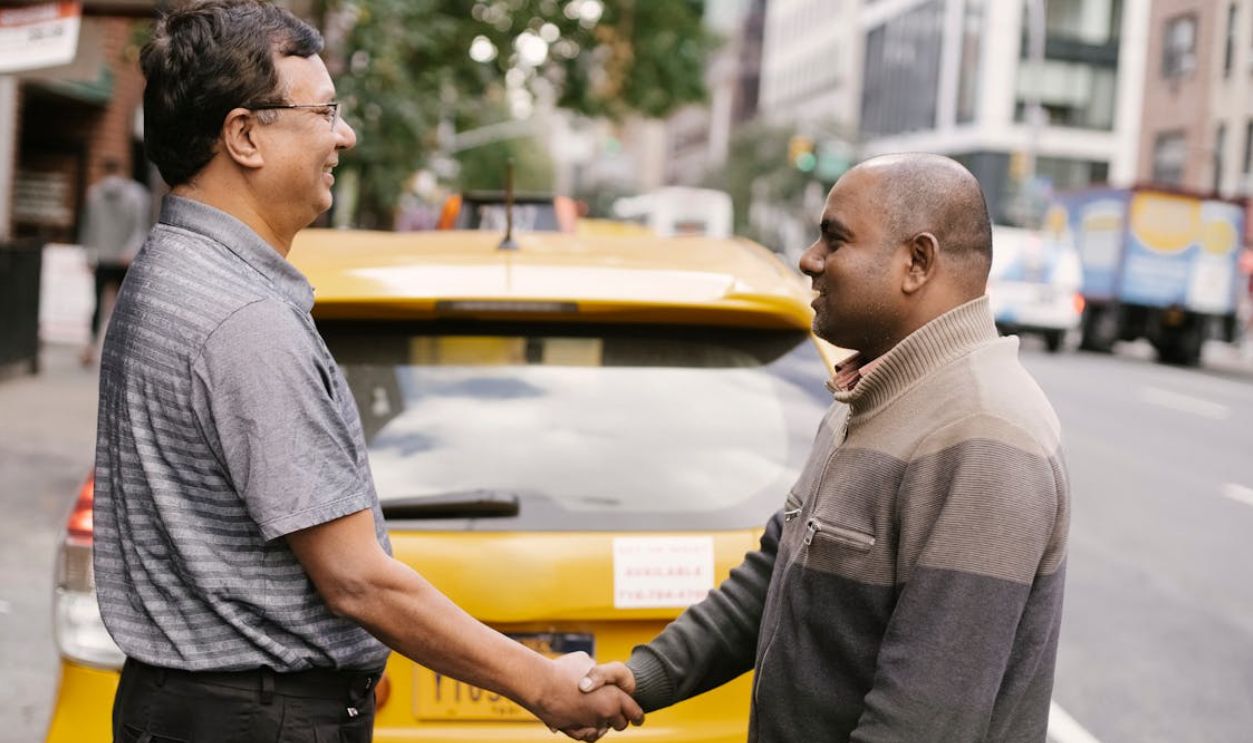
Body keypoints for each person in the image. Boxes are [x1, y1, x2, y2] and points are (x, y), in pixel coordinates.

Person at [92, 2, 640, 742]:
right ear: (244, 135)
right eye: (323, 112)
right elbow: (356, 578)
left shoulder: (168, 269)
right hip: (256, 718)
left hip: (194, 708)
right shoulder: (242, 317)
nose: (342, 135)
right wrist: (541, 682)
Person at [579, 154, 1070, 742]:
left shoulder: (985, 436)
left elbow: (922, 724)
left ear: (917, 261)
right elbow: (776, 573)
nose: (809, 260)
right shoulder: (875, 391)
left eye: (833, 241)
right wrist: (644, 677)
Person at [78, 158, 150, 365]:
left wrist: (89, 253)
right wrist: (129, 251)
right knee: (123, 306)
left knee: (98, 304)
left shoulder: (94, 193)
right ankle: (121, 350)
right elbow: (140, 227)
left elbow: (88, 227)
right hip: (122, 259)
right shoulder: (138, 195)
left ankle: (92, 346)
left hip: (103, 256)